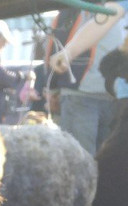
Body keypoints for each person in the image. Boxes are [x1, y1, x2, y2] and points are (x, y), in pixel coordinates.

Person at [49, 1, 128, 155]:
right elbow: (103, 20)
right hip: (93, 96)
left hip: (112, 98)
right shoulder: (119, 5)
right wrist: (68, 53)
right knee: (83, 158)